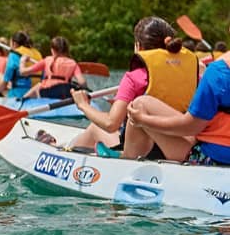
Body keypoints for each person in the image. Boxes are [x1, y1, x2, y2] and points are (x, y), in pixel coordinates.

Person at [67, 16, 198, 156]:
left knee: (95, 129)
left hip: (143, 152)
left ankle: (65, 152)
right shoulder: (194, 74)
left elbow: (111, 124)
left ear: (138, 46)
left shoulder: (133, 77)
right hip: (177, 144)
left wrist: (83, 105)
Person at [125, 46, 230, 163]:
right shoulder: (216, 72)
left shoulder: (218, 72)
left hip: (212, 158)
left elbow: (191, 127)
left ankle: (125, 165)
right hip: (210, 140)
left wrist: (143, 120)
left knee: (140, 104)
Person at [19, 36, 88, 100]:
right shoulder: (73, 63)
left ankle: (22, 100)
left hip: (47, 92)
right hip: (66, 92)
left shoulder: (47, 60)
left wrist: (22, 61)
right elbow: (82, 83)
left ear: (52, 50)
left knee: (40, 85)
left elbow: (23, 72)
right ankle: (23, 99)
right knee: (39, 85)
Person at [0, 32, 41, 98]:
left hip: (18, 95)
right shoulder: (38, 53)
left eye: (10, 44)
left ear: (14, 44)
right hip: (34, 94)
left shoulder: (14, 54)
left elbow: (3, 85)